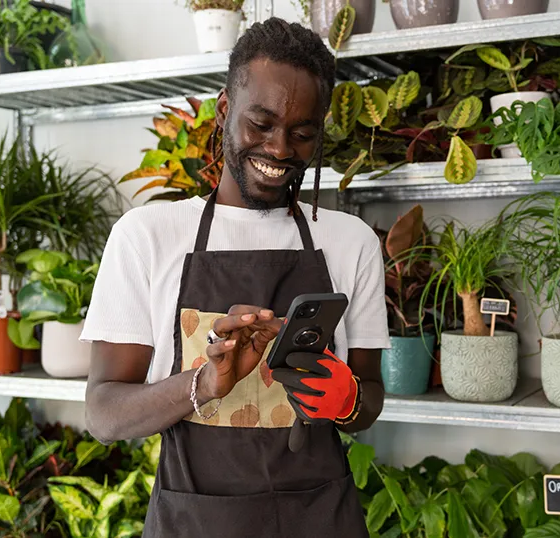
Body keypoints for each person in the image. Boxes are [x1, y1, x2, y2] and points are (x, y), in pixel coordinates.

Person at [79, 17, 391, 538]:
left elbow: (370, 397)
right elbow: (104, 414)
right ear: (226, 109)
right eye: (261, 124)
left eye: (302, 133)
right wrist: (204, 382)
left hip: (319, 519)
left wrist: (347, 400)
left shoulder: (350, 241)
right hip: (196, 521)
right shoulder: (148, 236)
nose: (279, 149)